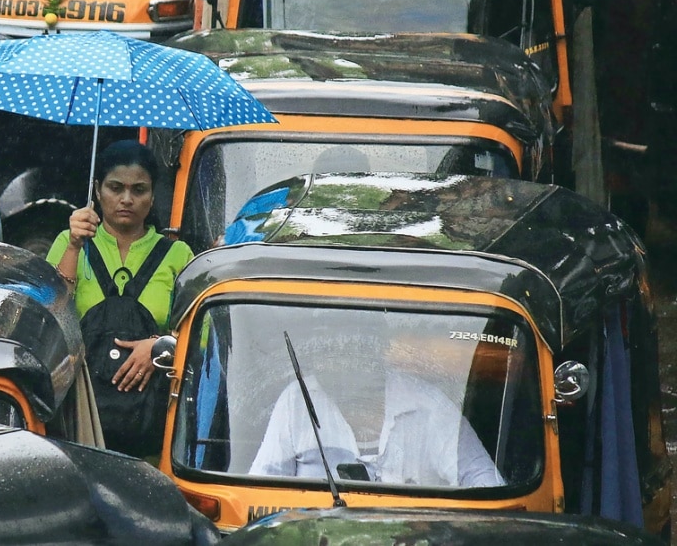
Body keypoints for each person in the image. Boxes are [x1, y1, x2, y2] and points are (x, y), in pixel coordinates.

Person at [250, 325, 504, 488]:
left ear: (376, 354)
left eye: (351, 352)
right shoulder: (297, 400)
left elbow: (485, 483)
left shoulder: (427, 403)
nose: (339, 367)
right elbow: (260, 490)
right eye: (327, 355)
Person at [47, 140, 193, 393]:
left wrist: (159, 347)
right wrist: (73, 246)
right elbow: (50, 316)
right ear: (97, 190)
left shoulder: (178, 255)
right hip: (82, 401)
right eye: (116, 188)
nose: (127, 199)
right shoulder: (70, 242)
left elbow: (199, 336)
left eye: (139, 190)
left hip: (151, 407)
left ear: (153, 195)